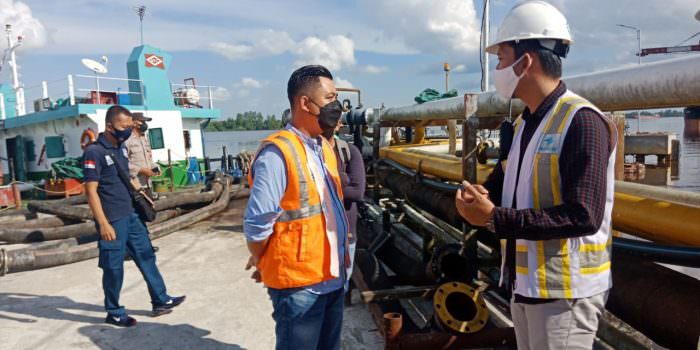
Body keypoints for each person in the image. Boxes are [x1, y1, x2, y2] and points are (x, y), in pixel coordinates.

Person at [454, 1, 617, 349]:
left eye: (501, 59)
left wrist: (495, 218)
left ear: (525, 62)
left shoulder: (582, 121)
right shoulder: (525, 123)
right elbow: (503, 186)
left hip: (564, 293)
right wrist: (479, 197)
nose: (497, 68)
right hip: (525, 284)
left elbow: (584, 214)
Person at [243, 65, 349, 350]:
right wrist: (262, 258)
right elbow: (257, 223)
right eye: (330, 98)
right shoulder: (278, 154)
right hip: (299, 286)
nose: (337, 106)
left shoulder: (323, 148)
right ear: (305, 103)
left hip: (333, 278)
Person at [83, 105, 185, 327]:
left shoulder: (120, 148)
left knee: (146, 254)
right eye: (123, 126)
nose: (127, 130)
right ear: (109, 126)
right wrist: (103, 224)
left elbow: (126, 176)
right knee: (113, 266)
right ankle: (114, 310)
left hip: (131, 213)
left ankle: (161, 299)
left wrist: (141, 195)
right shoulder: (94, 152)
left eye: (129, 126)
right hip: (112, 219)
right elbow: (91, 190)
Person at [321, 119, 365, 281]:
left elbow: (356, 193)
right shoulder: (307, 153)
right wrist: (343, 179)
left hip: (346, 232)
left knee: (342, 281)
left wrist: (323, 183)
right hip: (315, 233)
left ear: (339, 124)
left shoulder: (349, 152)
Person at [125, 112, 160, 196]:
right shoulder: (127, 140)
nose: (145, 124)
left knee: (150, 208)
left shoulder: (143, 139)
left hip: (148, 184)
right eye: (142, 122)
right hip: (136, 185)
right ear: (133, 123)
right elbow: (123, 162)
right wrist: (141, 170)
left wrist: (154, 167)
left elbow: (148, 159)